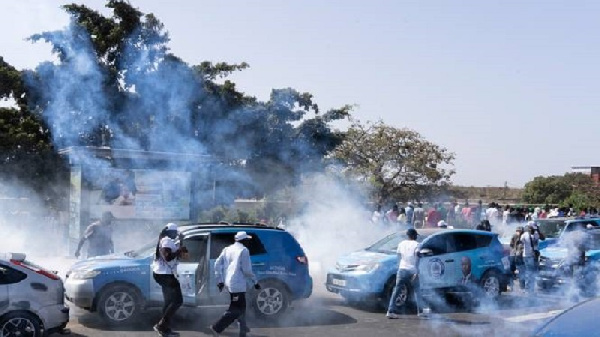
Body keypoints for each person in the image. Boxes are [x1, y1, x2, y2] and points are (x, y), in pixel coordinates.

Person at [210, 232, 260, 337]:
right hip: (237, 284)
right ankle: (216, 327)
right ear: (243, 240)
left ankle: (243, 329)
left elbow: (217, 264)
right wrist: (255, 282)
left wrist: (220, 280)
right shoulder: (244, 250)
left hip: (229, 282)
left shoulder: (227, 249)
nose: (248, 242)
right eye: (247, 240)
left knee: (241, 306)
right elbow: (247, 270)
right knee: (236, 309)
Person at [152, 223, 188, 337]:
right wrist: (179, 250)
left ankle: (165, 329)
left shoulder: (165, 240)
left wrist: (180, 243)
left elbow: (175, 252)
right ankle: (161, 326)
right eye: (175, 233)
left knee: (168, 301)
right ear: (170, 232)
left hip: (163, 274)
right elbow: (168, 256)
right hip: (165, 275)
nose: (175, 235)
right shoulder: (166, 240)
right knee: (178, 301)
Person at [386, 228, 425, 318]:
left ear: (407, 236)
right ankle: (421, 311)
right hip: (412, 271)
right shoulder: (417, 244)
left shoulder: (401, 244)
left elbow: (399, 256)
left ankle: (390, 311)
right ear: (414, 236)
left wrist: (400, 266)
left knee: (397, 290)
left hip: (402, 269)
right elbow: (418, 257)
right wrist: (417, 271)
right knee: (417, 290)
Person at [509, 226, 524, 290]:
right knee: (521, 271)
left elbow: (511, 244)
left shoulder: (514, 235)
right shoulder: (523, 236)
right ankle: (522, 286)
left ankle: (511, 285)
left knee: (511, 271)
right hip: (519, 255)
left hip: (513, 254)